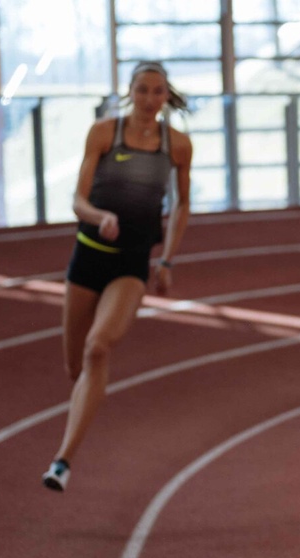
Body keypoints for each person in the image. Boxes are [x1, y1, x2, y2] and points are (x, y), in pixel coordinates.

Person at [41, 62, 193, 492]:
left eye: (157, 91)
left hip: (131, 264)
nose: (149, 99)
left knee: (96, 348)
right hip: (87, 259)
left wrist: (166, 260)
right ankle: (85, 406)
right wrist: (99, 215)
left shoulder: (178, 145)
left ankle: (62, 462)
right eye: (142, 90)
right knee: (75, 367)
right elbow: (77, 199)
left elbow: (181, 205)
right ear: (130, 93)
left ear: (167, 96)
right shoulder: (104, 133)